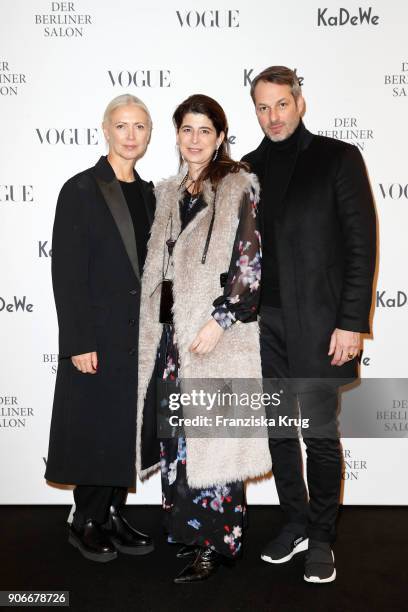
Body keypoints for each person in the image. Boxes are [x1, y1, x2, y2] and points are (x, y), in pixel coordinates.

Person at [242, 66, 376, 583]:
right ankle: (295, 521)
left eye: (281, 103)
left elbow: (361, 247)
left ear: (300, 102)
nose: (273, 116)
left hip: (321, 325)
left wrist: (350, 323)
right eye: (262, 106)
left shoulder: (337, 158)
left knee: (319, 434)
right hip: (262, 326)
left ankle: (322, 535)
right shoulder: (246, 168)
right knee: (278, 431)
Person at [136, 94, 271, 583]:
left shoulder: (238, 187)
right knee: (178, 440)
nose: (194, 139)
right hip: (173, 339)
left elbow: (250, 262)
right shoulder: (169, 192)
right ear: (177, 134)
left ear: (219, 138)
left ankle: (216, 545)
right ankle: (188, 533)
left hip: (216, 336)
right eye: (186, 130)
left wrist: (222, 320)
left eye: (204, 131)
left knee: (214, 442)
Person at [45, 94, 156, 562]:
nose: (131, 136)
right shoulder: (82, 189)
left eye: (140, 127)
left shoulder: (152, 194)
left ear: (149, 135)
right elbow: (67, 273)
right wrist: (79, 341)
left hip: (139, 339)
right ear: (105, 130)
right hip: (99, 336)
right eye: (122, 126)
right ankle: (84, 519)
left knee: (122, 431)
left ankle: (111, 513)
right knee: (93, 428)